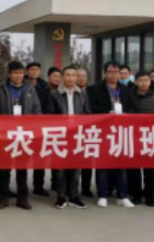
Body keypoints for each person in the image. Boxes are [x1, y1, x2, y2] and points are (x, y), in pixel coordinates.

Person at [0, 61, 42, 210]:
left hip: (23, 134)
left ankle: (22, 198)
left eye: (21, 73)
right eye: (15, 73)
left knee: (22, 168)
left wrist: (34, 127)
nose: (19, 76)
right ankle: (3, 197)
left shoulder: (30, 89)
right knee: (3, 168)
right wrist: (1, 127)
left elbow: (37, 110)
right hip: (5, 134)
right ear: (9, 74)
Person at [87, 61, 135, 208]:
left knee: (121, 164)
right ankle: (103, 194)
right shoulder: (94, 89)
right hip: (102, 130)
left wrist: (127, 114)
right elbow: (91, 107)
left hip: (121, 131)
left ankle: (122, 195)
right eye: (111, 72)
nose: (114, 75)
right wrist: (106, 113)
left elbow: (133, 107)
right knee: (102, 164)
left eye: (116, 72)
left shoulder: (126, 89)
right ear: (104, 73)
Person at [45, 66, 88, 209]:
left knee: (76, 167)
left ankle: (74, 196)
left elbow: (88, 114)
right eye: (68, 75)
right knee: (59, 168)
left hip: (77, 134)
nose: (71, 78)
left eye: (73, 75)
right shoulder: (54, 94)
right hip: (60, 135)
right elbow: (49, 115)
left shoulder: (82, 94)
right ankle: (61, 196)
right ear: (63, 77)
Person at [128, 71, 154, 206]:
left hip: (150, 135)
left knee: (149, 169)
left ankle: (150, 196)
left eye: (146, 80)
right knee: (134, 168)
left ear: (150, 82)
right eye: (141, 80)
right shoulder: (129, 95)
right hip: (133, 135)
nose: (144, 83)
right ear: (136, 82)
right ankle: (136, 195)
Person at [26, 62, 51, 197]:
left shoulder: (45, 87)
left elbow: (48, 105)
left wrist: (42, 118)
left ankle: (38, 185)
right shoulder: (23, 85)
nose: (34, 72)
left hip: (40, 125)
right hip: (23, 125)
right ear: (27, 71)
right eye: (32, 69)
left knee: (39, 156)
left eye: (37, 69)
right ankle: (22, 187)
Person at [75, 67, 94, 197]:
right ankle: (72, 188)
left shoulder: (92, 92)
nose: (81, 79)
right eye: (78, 76)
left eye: (84, 76)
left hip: (88, 130)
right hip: (73, 131)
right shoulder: (70, 91)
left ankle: (86, 188)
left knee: (87, 161)